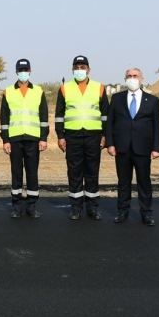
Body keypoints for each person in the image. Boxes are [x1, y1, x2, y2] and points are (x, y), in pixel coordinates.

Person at [105, 68, 159, 226]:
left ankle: (146, 214)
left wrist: (157, 147)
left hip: (143, 148)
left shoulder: (152, 100)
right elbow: (109, 124)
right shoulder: (117, 99)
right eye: (129, 76)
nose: (132, 79)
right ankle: (122, 211)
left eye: (135, 76)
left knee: (144, 182)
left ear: (142, 79)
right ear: (125, 79)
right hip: (121, 147)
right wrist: (110, 144)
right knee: (123, 182)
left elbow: (157, 126)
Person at [55, 55, 108, 220]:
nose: (80, 70)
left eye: (82, 67)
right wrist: (60, 136)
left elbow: (105, 115)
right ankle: (76, 207)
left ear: (89, 69)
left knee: (92, 171)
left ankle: (92, 207)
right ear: (72, 70)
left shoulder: (99, 87)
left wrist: (105, 135)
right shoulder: (65, 88)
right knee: (74, 172)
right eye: (77, 67)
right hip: (72, 136)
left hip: (94, 135)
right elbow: (59, 115)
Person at [0, 58, 49, 219]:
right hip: (14, 139)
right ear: (16, 72)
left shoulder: (38, 91)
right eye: (20, 70)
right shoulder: (8, 91)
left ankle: (32, 206)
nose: (23, 73)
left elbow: (43, 117)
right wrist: (5, 140)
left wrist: (43, 138)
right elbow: (4, 118)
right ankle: (16, 206)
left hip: (33, 138)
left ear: (30, 71)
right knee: (16, 173)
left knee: (32, 173)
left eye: (25, 70)